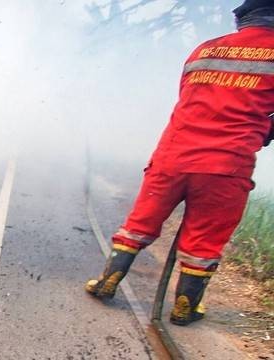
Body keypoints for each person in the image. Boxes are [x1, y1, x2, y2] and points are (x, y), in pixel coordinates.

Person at [85, 0, 274, 326]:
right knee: (205, 240)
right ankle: (186, 305)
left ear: (242, 19)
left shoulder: (206, 49)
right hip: (226, 165)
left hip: (173, 155)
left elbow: (189, 98)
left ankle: (108, 280)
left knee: (139, 224)